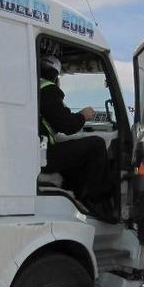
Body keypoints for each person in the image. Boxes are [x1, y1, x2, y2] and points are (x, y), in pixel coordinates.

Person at [38, 55, 112, 220]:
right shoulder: (48, 89)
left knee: (75, 154)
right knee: (96, 144)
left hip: (36, 152)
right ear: (55, 74)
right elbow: (67, 125)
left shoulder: (32, 87)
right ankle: (96, 201)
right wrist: (83, 116)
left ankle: (75, 196)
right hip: (42, 155)